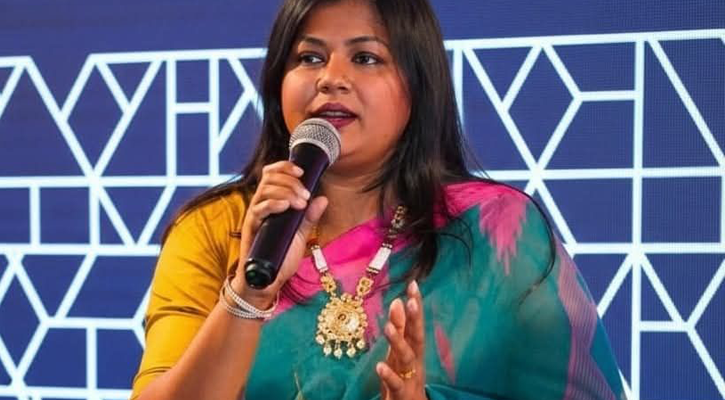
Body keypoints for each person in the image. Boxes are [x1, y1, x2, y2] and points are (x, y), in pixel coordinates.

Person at [130, 0, 626, 399]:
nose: (331, 77)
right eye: (309, 58)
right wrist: (249, 294)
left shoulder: (498, 232)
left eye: (366, 58)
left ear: (418, 86)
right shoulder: (217, 228)